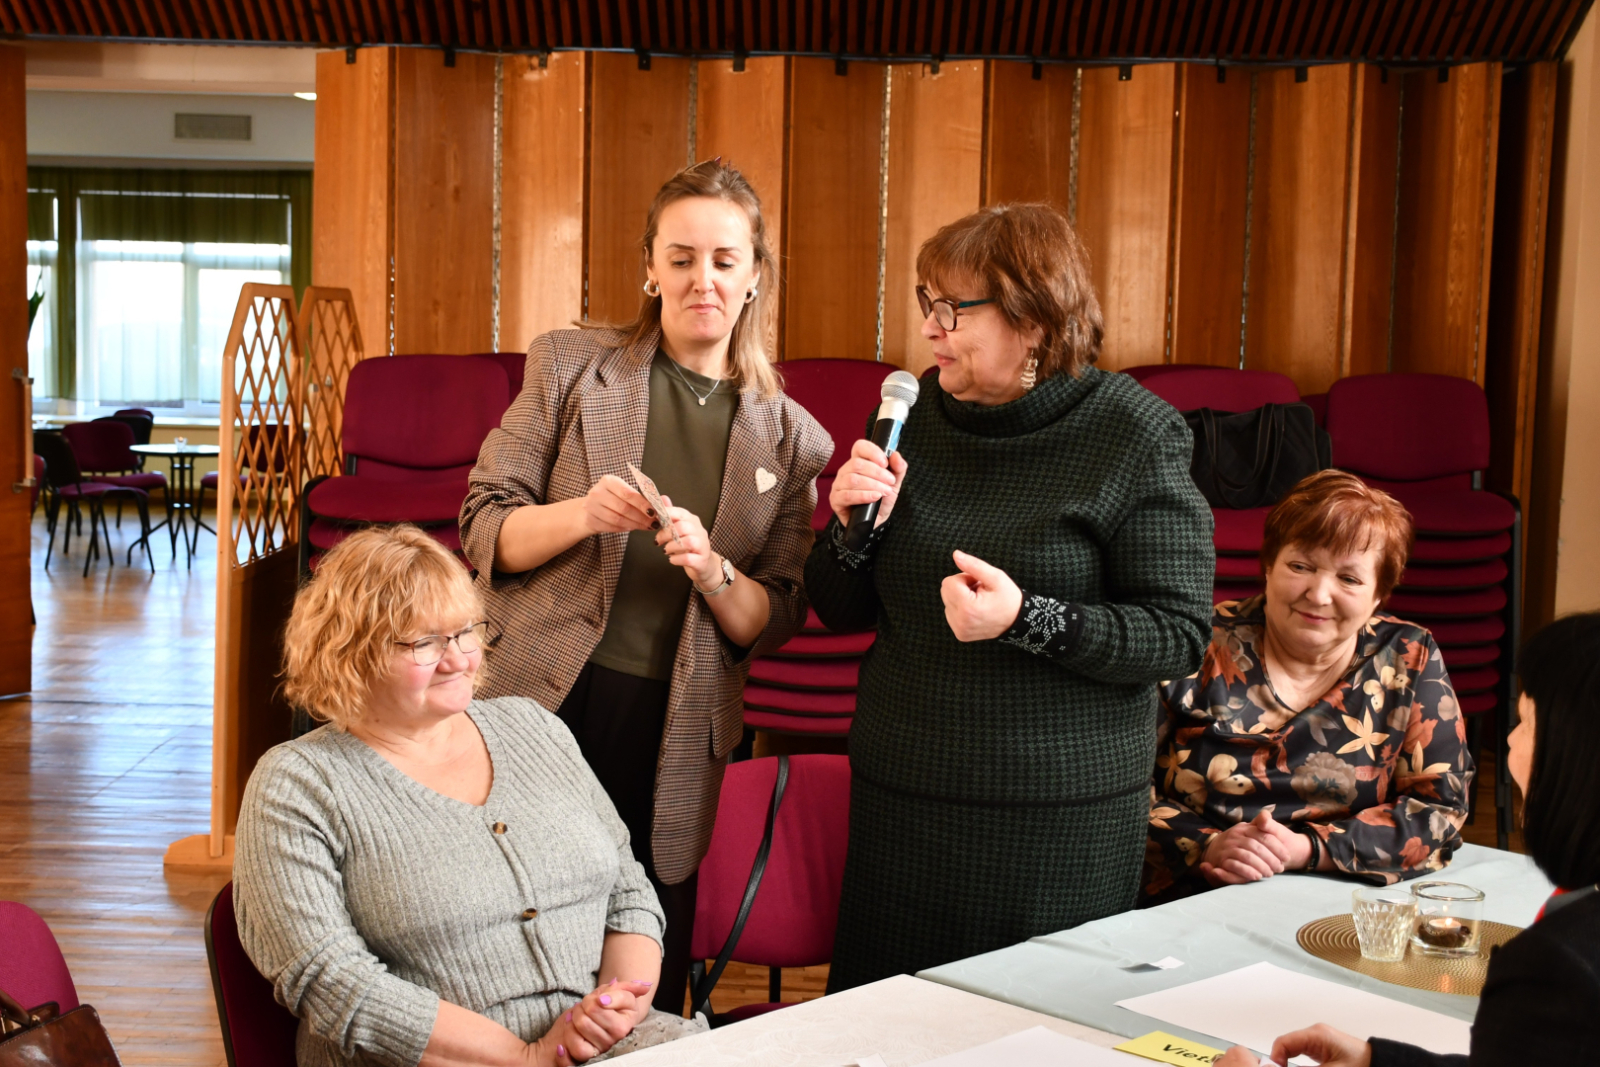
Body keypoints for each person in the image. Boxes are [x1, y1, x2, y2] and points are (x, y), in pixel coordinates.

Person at [805, 202, 1216, 991]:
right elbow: (840, 608)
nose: (930, 328)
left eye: (953, 309)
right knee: (886, 1028)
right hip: (904, 802)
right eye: (927, 302)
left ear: (1033, 321)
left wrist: (1027, 618)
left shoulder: (1134, 433)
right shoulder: (911, 418)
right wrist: (850, 529)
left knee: (1033, 1025)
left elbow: (1176, 632)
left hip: (1054, 819)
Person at [459, 159, 832, 1013]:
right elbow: (484, 526)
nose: (704, 279)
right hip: (541, 698)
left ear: (755, 276)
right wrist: (582, 514)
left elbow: (773, 617)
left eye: (725, 260)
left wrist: (714, 571)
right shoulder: (568, 365)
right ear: (651, 268)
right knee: (507, 935)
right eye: (682, 257)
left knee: (638, 960)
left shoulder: (794, 439)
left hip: (677, 723)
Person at [234, 526, 704, 1067]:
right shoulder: (297, 785)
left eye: (465, 632)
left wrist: (612, 1012)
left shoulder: (533, 727)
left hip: (609, 1046)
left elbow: (628, 893)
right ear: (350, 654)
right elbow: (331, 980)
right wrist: (527, 1057)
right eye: (425, 643)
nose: (458, 658)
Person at [1215, 611, 1600, 1067]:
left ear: (1574, 755)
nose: (1511, 741)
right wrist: (1376, 1062)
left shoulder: (1559, 970)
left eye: (1526, 722)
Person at [1143, 470, 1472, 903]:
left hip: (1343, 898)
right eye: (1301, 566)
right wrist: (1209, 844)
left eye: (1349, 579)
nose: (1318, 595)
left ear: (1379, 594)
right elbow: (1116, 787)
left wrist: (1305, 849)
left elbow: (1440, 808)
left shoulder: (1408, 655)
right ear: (1268, 566)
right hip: (1193, 892)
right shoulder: (1194, 643)